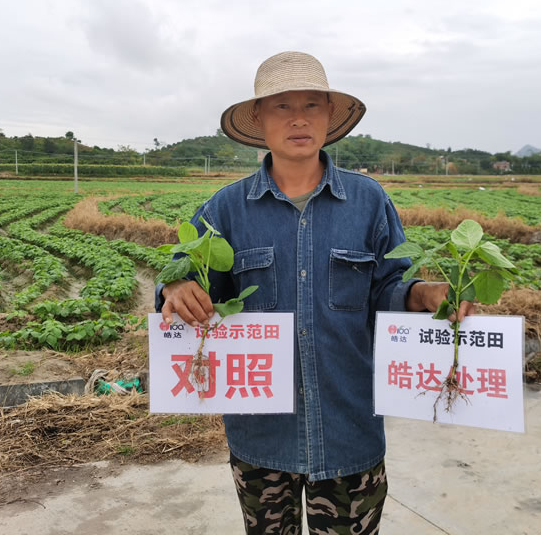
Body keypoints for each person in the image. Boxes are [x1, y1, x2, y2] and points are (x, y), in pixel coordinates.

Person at [156, 51, 472, 534]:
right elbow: (185, 285)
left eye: (311, 105)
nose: (298, 118)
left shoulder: (369, 202)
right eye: (282, 106)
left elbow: (389, 290)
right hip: (261, 436)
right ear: (259, 119)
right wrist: (175, 288)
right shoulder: (225, 209)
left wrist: (424, 294)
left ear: (329, 117)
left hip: (349, 431)